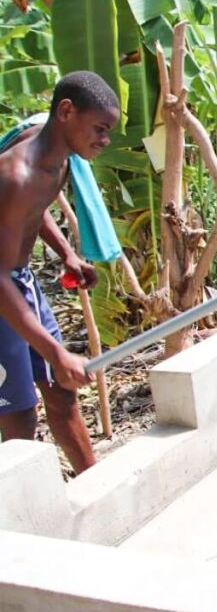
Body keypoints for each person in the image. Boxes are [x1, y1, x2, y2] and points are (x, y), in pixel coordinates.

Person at [0, 71, 121, 474]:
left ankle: (95, 485)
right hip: (3, 290)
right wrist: (55, 351)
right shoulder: (14, 175)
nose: (104, 140)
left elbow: (33, 210)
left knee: (61, 389)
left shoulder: (59, 159)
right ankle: (30, 516)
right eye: (100, 129)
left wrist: (67, 252)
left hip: (20, 282)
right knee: (18, 412)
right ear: (66, 111)